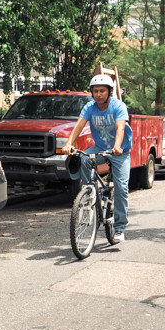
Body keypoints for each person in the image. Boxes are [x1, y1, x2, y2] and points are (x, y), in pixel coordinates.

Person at [62, 74, 132, 244]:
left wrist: (117, 146)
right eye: (95, 91)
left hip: (119, 150)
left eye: (102, 91)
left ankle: (120, 228)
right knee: (84, 158)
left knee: (121, 188)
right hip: (100, 147)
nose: (99, 94)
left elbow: (120, 128)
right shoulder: (89, 107)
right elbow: (79, 125)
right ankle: (88, 194)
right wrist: (69, 144)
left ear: (109, 92)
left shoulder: (118, 106)